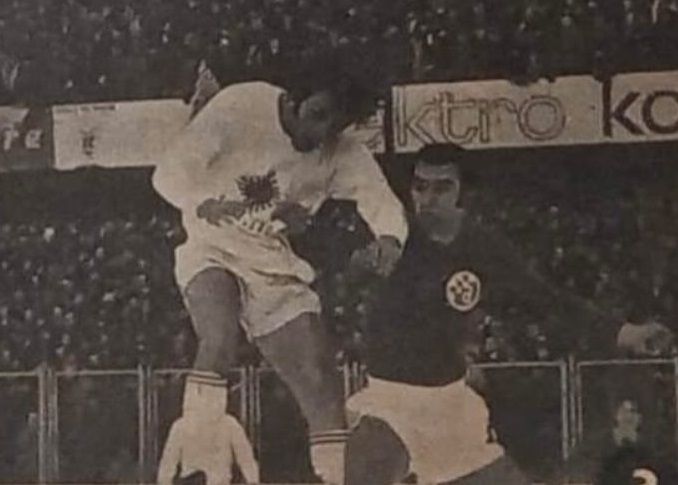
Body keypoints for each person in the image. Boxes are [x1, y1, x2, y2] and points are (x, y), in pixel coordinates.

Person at [151, 50, 408, 485]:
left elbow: (378, 198)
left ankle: (336, 478)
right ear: (291, 99)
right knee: (220, 336)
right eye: (318, 115)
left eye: (336, 123)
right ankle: (198, 459)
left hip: (272, 262)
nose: (323, 132)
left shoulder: (341, 150)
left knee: (320, 379)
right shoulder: (241, 105)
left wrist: (389, 238)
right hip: (211, 245)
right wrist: (204, 203)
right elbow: (168, 174)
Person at [344, 144, 668, 485]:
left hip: (450, 407)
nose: (427, 198)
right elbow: (345, 273)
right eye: (420, 187)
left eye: (442, 187)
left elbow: (544, 299)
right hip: (389, 399)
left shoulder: (483, 247)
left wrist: (621, 331)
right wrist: (359, 266)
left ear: (464, 193)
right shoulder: (394, 237)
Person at [157, 374, 259, 485]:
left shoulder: (230, 424)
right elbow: (168, 463)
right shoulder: (180, 426)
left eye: (213, 395)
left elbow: (246, 459)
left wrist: (252, 480)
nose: (209, 400)